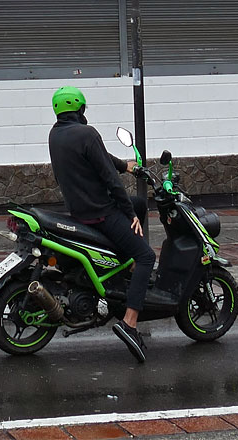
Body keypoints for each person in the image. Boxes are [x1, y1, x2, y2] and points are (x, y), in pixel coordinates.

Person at [48, 85, 175, 363]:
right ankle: (130, 322)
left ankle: (122, 264)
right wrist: (129, 214)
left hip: (79, 209)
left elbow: (100, 158)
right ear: (80, 109)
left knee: (141, 205)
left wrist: (126, 165)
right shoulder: (88, 133)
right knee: (144, 256)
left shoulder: (56, 134)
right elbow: (110, 180)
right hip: (101, 212)